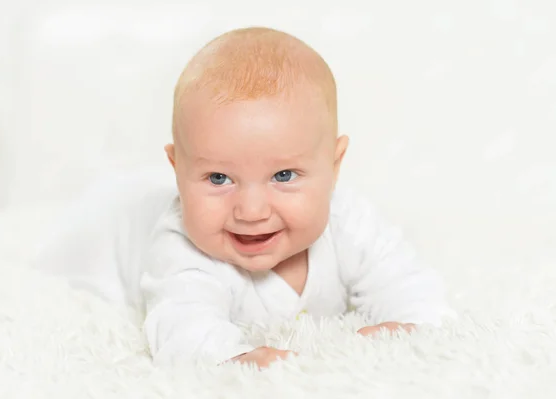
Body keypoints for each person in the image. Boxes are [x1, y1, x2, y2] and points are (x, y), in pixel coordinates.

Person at [34, 27, 454, 369]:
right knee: (65, 251)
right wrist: (234, 359)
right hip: (109, 227)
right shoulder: (183, 247)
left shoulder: (349, 221)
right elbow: (181, 327)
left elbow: (409, 284)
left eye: (284, 176)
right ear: (177, 171)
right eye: (219, 178)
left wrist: (408, 322)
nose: (251, 211)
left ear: (334, 164)